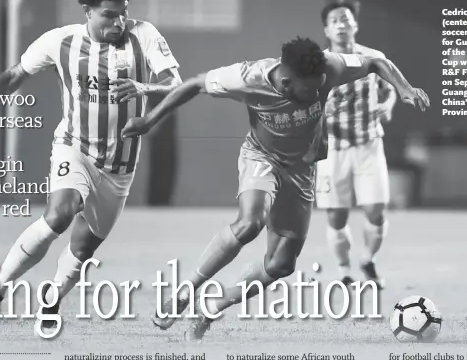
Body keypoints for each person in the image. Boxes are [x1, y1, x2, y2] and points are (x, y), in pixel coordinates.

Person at [121, 36, 429, 341]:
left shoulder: (329, 67)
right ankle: (184, 293)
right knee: (250, 222)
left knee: (280, 265)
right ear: (285, 83)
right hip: (261, 157)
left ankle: (212, 306)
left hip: (302, 172)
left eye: (320, 85)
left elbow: (376, 60)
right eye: (309, 90)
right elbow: (193, 85)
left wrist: (404, 88)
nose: (317, 93)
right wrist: (148, 121)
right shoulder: (246, 78)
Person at [0, 0, 182, 333]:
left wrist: (142, 87)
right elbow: (16, 74)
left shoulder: (144, 35)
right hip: (75, 149)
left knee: (83, 248)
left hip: (120, 167)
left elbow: (175, 85)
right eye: (108, 15)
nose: (118, 23)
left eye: (123, 15)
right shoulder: (61, 41)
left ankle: (52, 297)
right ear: (87, 11)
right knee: (59, 214)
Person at [314, 0, 397, 289]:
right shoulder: (318, 65)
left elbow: (391, 90)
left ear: (355, 25)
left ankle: (367, 259)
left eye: (346, 19)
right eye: (334, 21)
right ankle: (344, 270)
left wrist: (387, 106)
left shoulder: (373, 58)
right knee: (336, 216)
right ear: (326, 30)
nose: (341, 25)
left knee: (376, 211)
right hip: (333, 149)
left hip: (369, 144)